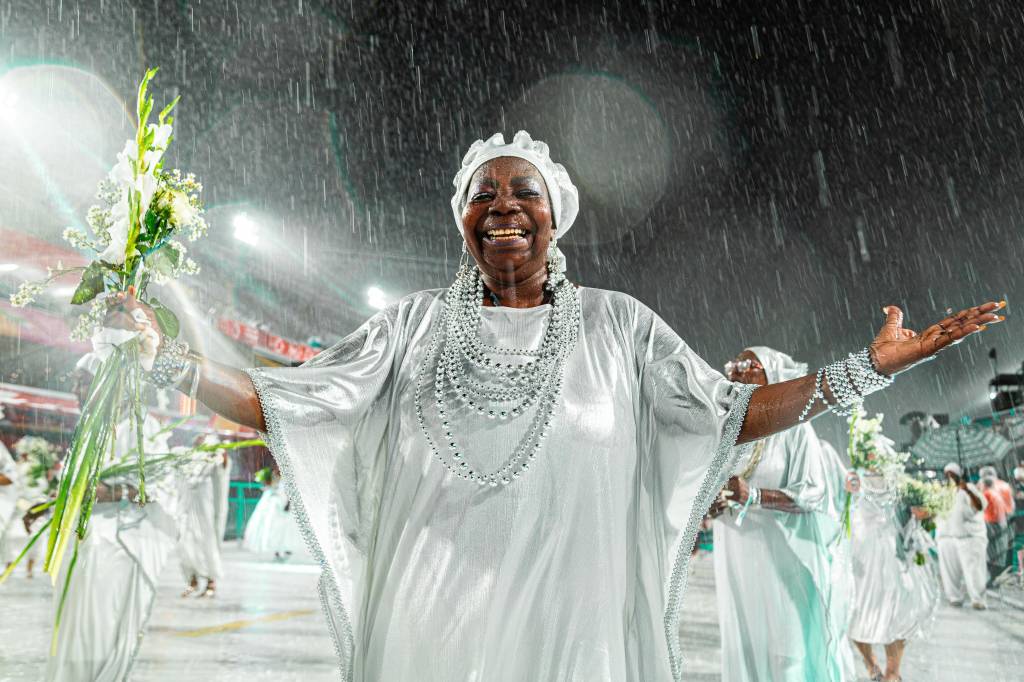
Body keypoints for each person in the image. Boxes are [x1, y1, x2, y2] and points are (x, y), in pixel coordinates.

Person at [105, 130, 1001, 680]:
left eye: (523, 191)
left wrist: (865, 370)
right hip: (432, 624)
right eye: (483, 194)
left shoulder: (621, 328)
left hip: (575, 628)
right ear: (462, 217)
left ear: (555, 216)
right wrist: (163, 355)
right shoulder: (409, 328)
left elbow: (730, 411)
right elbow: (283, 401)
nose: (503, 207)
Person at [708, 347, 853, 682]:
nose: (735, 371)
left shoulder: (795, 429)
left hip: (783, 556)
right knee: (746, 642)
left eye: (747, 365)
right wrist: (711, 503)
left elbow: (813, 492)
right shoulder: (728, 432)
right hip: (736, 552)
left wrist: (754, 495)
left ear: (771, 375)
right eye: (732, 364)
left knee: (787, 646)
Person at [46, 353, 179, 682]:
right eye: (74, 383)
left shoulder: (140, 426)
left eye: (82, 382)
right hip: (83, 541)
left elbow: (161, 486)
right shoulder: (90, 429)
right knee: (75, 624)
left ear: (107, 384)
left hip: (118, 543)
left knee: (99, 625)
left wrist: (113, 492)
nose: (75, 390)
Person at [848, 445, 941, 682]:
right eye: (870, 450)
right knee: (858, 612)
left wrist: (922, 514)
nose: (875, 456)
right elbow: (840, 510)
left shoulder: (899, 482)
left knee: (899, 611)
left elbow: (915, 514)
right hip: (861, 555)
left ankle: (893, 672)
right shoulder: (852, 478)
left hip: (894, 553)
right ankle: (871, 664)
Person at [176, 435, 229, 598]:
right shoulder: (187, 459)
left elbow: (223, 466)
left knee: (207, 546)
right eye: (198, 439)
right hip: (186, 510)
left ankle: (210, 582)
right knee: (185, 545)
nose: (200, 439)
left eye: (203, 438)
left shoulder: (214, 460)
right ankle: (192, 581)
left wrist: (221, 452)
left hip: (205, 514)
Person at [936, 462, 988, 610]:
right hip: (948, 537)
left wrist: (967, 491)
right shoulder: (944, 492)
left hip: (970, 537)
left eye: (952, 474)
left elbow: (980, 506)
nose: (949, 477)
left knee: (974, 571)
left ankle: (978, 599)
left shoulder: (969, 488)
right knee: (950, 572)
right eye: (947, 474)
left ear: (959, 475)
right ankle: (954, 597)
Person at [978, 465, 1014, 584]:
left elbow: (980, 506)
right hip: (1005, 520)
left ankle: (993, 577)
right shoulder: (1005, 485)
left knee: (990, 550)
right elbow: (1011, 506)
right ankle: (1004, 573)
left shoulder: (985, 485)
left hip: (990, 521)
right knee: (1003, 547)